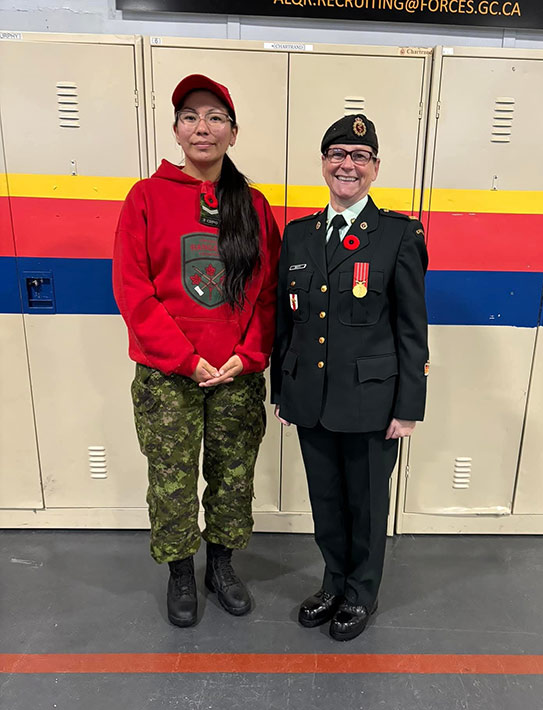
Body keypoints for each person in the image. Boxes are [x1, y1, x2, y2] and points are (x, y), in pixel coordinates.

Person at [113, 74, 281, 627]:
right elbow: (134, 292)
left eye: (214, 117)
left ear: (233, 132)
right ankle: (181, 572)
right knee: (172, 479)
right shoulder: (145, 198)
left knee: (234, 476)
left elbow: (269, 294)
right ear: (176, 129)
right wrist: (185, 358)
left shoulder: (253, 207)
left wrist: (250, 354)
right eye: (190, 116)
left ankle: (222, 567)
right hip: (168, 376)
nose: (202, 127)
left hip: (235, 373)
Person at [271, 114, 428, 641]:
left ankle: (361, 593)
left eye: (359, 157)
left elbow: (411, 328)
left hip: (371, 402)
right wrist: (282, 391)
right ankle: (333, 582)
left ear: (375, 168)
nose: (347, 165)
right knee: (327, 502)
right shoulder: (297, 236)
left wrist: (408, 407)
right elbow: (284, 323)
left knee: (366, 505)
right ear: (323, 164)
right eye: (337, 154)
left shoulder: (398, 235)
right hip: (311, 399)